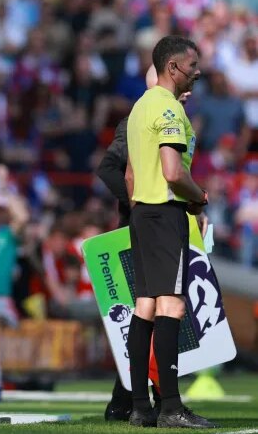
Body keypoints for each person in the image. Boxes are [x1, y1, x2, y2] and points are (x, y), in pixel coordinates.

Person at [125, 35, 214, 429]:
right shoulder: (169, 112)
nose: (198, 71)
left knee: (144, 306)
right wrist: (200, 199)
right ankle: (172, 406)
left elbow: (130, 173)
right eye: (193, 64)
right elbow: (174, 172)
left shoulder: (141, 106)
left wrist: (140, 207)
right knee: (171, 306)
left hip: (143, 212)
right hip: (165, 211)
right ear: (174, 67)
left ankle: (140, 407)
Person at [97, 64, 190, 422]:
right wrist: (138, 202)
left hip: (155, 219)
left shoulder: (165, 113)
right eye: (188, 71)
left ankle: (133, 403)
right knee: (160, 307)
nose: (192, 82)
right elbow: (110, 168)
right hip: (150, 221)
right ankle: (154, 401)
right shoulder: (145, 116)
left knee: (148, 308)